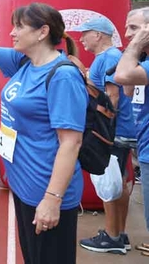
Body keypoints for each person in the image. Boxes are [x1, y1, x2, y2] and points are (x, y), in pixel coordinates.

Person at [0, 0, 87, 264]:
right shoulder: (23, 62)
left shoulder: (63, 76)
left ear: (42, 32)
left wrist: (52, 199)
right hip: (24, 186)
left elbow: (71, 142)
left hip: (45, 189)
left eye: (19, 27)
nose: (13, 33)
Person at [77, 17, 134, 255]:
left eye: (85, 34)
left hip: (113, 132)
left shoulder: (108, 58)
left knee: (109, 182)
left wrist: (102, 130)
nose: (81, 39)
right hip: (121, 131)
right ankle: (119, 234)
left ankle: (112, 238)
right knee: (120, 181)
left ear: (98, 35)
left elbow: (112, 97)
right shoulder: (111, 57)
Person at [113, 9, 149, 249]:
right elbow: (128, 89)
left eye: (134, 29)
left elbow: (122, 76)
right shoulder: (144, 63)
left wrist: (135, 46)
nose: (127, 35)